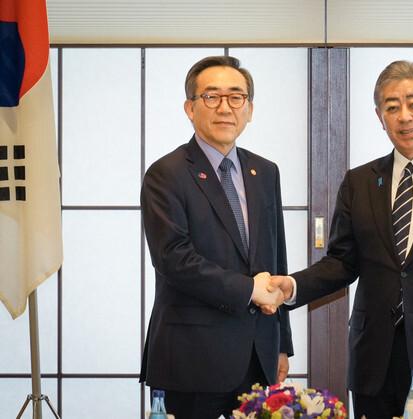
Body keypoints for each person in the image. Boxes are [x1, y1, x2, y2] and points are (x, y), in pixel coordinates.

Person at [268, 61, 413, 419]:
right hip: (375, 357)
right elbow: (342, 262)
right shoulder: (360, 181)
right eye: (392, 107)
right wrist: (291, 286)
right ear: (380, 117)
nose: (404, 117)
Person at [140, 55, 293, 419]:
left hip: (258, 354)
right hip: (191, 357)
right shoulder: (166, 174)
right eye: (211, 96)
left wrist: (282, 344)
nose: (225, 108)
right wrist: (249, 289)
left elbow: (276, 258)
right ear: (190, 108)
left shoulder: (265, 172)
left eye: (236, 97)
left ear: (249, 109)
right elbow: (173, 258)